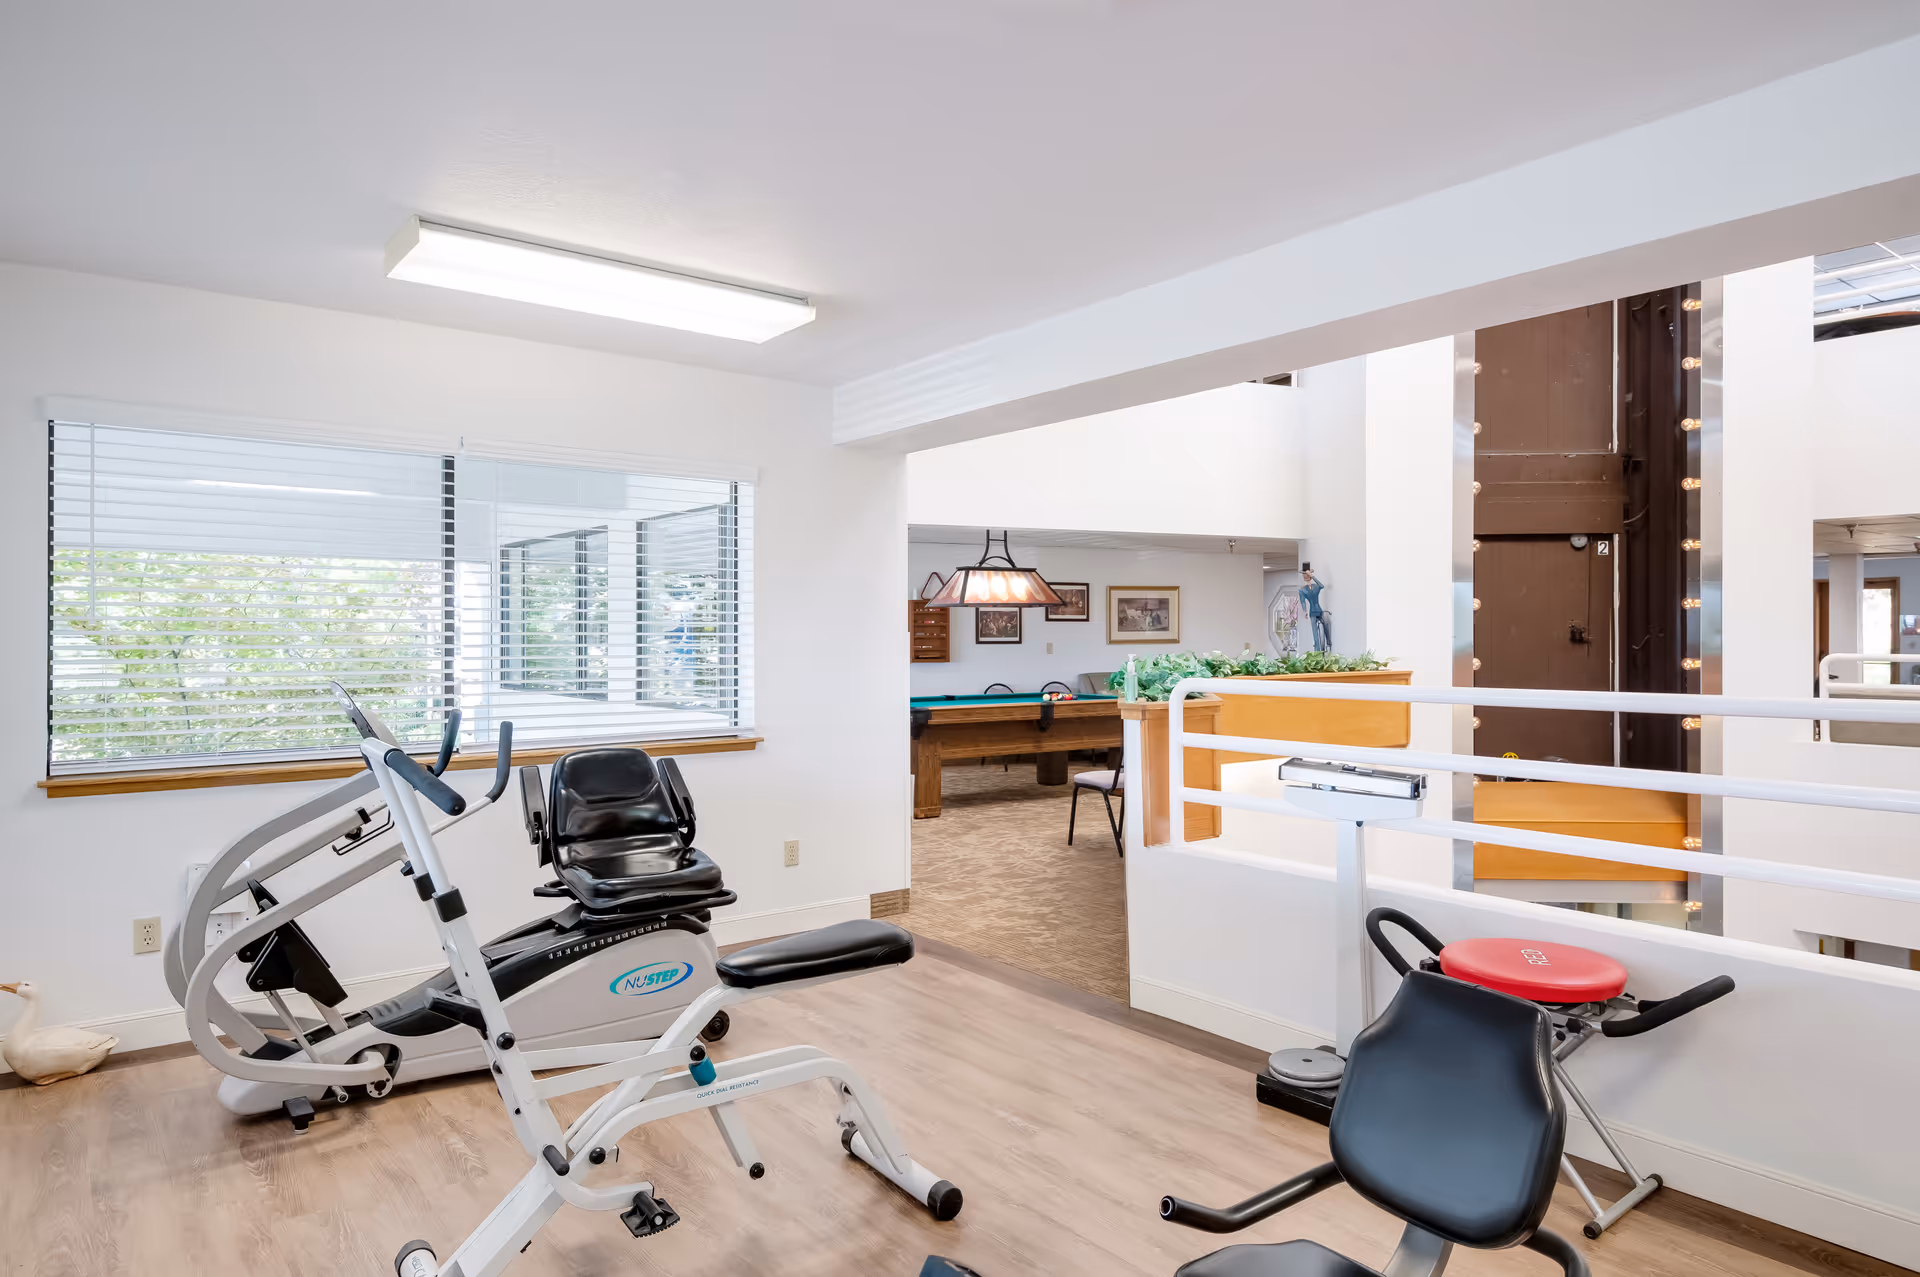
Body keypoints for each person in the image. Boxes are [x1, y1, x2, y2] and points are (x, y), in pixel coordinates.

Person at [1299, 564, 1330, 652]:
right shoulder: (1302, 590)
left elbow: (1322, 586)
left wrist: (1313, 576)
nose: (1305, 576)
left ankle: (1328, 641)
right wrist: (1305, 611)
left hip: (1318, 610)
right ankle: (1317, 651)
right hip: (1312, 611)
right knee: (1315, 632)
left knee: (1326, 623)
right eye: (1304, 575)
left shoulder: (1316, 587)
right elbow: (1303, 601)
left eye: (1306, 574)